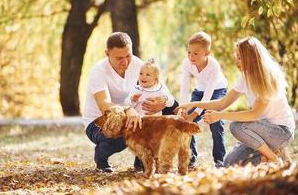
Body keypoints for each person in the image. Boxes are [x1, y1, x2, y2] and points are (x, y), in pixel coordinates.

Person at [176, 36, 295, 166]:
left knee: (237, 126)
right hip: (261, 132)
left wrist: (220, 116)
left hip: (281, 132)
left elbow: (253, 114)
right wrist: (193, 104)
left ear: (250, 58)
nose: (236, 60)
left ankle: (272, 157)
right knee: (229, 163)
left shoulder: (266, 78)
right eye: (236, 56)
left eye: (239, 57)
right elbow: (222, 103)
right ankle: (270, 154)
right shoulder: (244, 77)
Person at [83, 32, 172, 173]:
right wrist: (127, 109)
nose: (125, 62)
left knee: (168, 110)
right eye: (119, 58)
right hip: (98, 123)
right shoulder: (98, 71)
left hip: (134, 115)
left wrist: (163, 102)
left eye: (128, 56)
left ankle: (141, 161)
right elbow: (103, 105)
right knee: (126, 129)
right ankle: (101, 156)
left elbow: (163, 91)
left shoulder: (138, 65)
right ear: (107, 53)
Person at [180, 31, 228, 168]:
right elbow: (184, 86)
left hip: (217, 90)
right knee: (186, 124)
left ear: (207, 53)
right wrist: (184, 108)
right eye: (189, 52)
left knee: (215, 121)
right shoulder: (187, 63)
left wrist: (195, 114)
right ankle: (191, 158)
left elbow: (208, 95)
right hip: (200, 91)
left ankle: (219, 160)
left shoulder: (214, 66)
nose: (191, 56)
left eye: (196, 53)